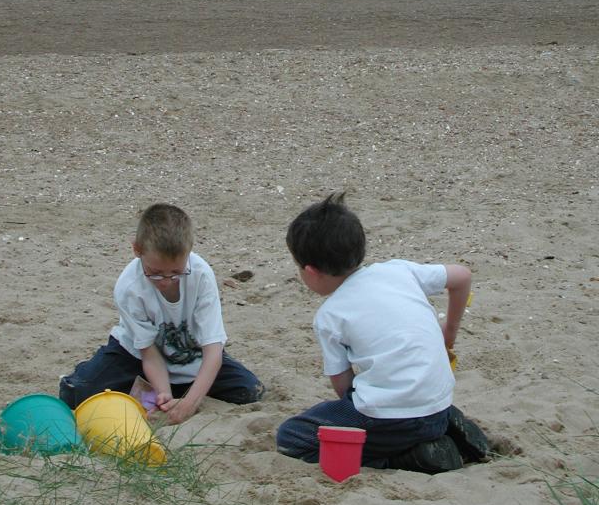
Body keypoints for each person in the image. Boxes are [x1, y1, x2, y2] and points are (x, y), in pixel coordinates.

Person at [276, 193, 489, 473]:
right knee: (404, 394)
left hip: (391, 420)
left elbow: (342, 383)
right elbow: (462, 276)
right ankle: (446, 429)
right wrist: (448, 333)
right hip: (439, 404)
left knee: (292, 435)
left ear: (311, 271)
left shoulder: (330, 315)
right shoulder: (399, 270)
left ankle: (405, 458)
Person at [59, 203, 264, 424]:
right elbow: (149, 353)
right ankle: (162, 389)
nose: (166, 281)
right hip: (137, 355)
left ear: (189, 251)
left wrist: (189, 405)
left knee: (249, 391)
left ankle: (173, 391)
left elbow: (213, 349)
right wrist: (164, 394)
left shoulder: (201, 275)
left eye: (176, 273)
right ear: (137, 250)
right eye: (155, 273)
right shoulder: (128, 287)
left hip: (190, 353)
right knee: (76, 393)